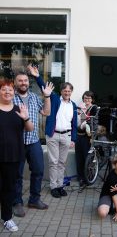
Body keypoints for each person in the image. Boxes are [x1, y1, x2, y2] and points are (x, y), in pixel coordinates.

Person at [30, 66, 78, 198]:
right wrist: (37, 76)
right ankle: (53, 186)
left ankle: (60, 185)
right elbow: (45, 88)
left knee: (62, 162)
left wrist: (73, 139)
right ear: (61, 91)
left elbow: (74, 123)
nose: (67, 92)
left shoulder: (73, 105)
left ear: (71, 92)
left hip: (66, 136)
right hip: (53, 134)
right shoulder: (56, 99)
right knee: (53, 162)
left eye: (69, 90)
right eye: (65, 90)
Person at [13, 68, 54, 217]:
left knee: (38, 171)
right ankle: (16, 202)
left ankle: (34, 199)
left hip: (34, 141)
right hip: (16, 143)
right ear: (15, 83)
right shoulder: (10, 98)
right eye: (20, 81)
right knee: (16, 174)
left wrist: (47, 96)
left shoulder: (34, 97)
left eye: (25, 81)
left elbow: (46, 112)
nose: (23, 83)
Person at [0, 78, 34, 232]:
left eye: (10, 89)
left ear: (13, 93)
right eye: (3, 89)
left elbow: (30, 129)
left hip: (13, 156)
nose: (7, 92)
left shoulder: (19, 109)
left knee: (9, 188)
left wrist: (26, 117)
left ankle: (7, 218)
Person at [75, 91, 98, 191]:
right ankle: (80, 177)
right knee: (78, 157)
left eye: (89, 98)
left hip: (87, 137)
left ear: (92, 99)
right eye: (85, 98)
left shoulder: (94, 108)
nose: (87, 100)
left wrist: (83, 121)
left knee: (86, 157)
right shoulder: (81, 108)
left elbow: (91, 121)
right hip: (78, 135)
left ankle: (87, 178)